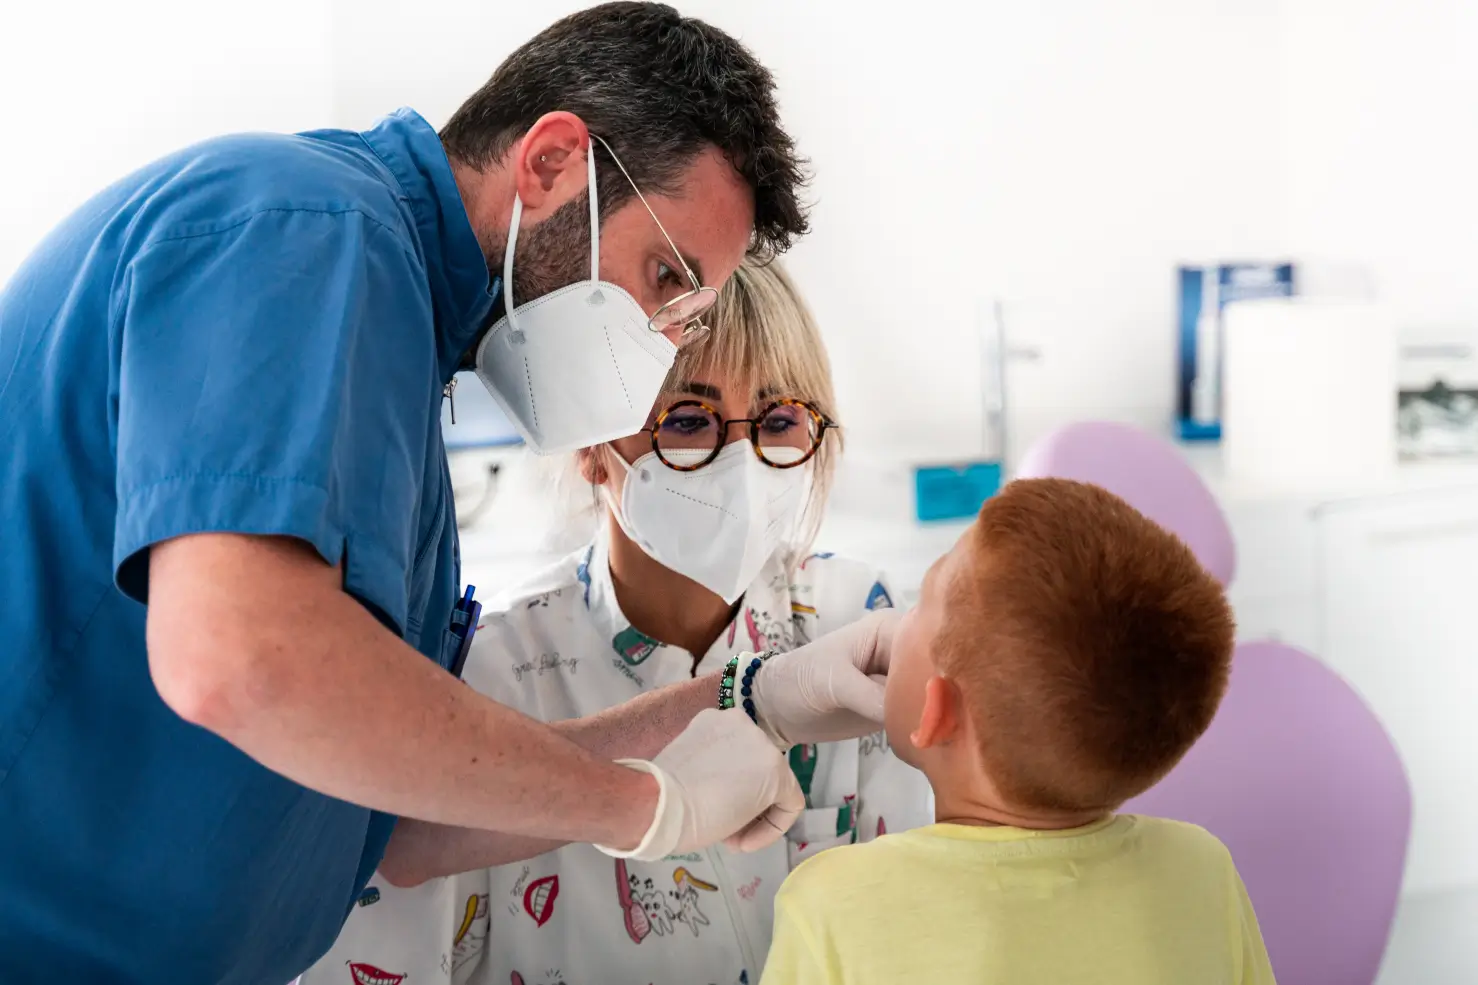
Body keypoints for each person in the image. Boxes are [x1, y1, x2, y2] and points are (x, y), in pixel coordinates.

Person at [0, 5, 898, 983]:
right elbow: (239, 658)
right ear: (551, 163)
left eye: (684, 313)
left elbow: (393, 826)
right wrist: (641, 809)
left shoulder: (399, 352)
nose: (660, 341)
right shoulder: (306, 229)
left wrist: (752, 698)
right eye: (662, 278)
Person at [298, 261, 934, 985]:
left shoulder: (855, 618)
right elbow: (385, 914)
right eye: (689, 422)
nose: (742, 462)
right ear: (592, 449)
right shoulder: (491, 673)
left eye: (779, 419)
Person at [761, 478, 1277, 985]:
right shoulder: (1200, 872)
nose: (898, 621)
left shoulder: (834, 905)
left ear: (936, 712)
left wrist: (740, 694)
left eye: (922, 603)